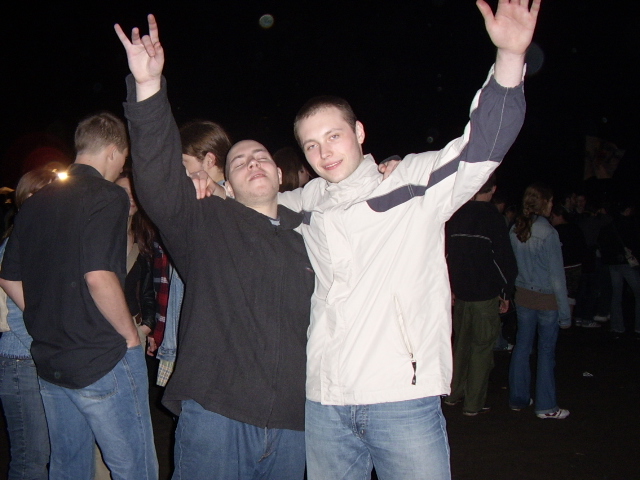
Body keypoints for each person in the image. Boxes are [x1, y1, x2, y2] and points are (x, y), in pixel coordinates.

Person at [275, 1, 541, 477]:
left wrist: (509, 57)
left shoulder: (410, 181)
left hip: (401, 398)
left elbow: (483, 147)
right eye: (311, 144)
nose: (323, 151)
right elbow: (249, 209)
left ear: (359, 132)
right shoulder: (305, 202)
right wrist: (210, 184)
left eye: (334, 136)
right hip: (325, 399)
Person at [115, 17, 314, 480]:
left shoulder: (312, 235)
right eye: (239, 161)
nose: (252, 163)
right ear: (228, 180)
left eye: (261, 157)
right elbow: (160, 181)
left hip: (294, 424)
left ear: (279, 174)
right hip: (217, 417)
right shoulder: (206, 223)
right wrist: (149, 87)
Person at [0, 112, 158, 479]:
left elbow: (8, 277)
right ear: (115, 151)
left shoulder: (36, 202)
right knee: (135, 467)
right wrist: (129, 336)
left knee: (69, 466)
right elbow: (99, 276)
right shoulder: (108, 195)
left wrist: (44, 317)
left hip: (51, 359)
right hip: (100, 355)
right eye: (123, 157)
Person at [443, 173, 517, 416]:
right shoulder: (492, 217)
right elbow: (503, 259)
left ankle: (453, 394)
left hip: (461, 294)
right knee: (481, 350)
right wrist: (505, 292)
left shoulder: (456, 214)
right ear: (493, 189)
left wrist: (450, 287)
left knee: (461, 346)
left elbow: (446, 255)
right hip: (484, 296)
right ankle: (473, 404)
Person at [0, 168, 57, 480]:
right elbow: (17, 314)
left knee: (43, 454)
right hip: (22, 361)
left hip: (37, 358)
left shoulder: (45, 242)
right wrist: (51, 350)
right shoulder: (17, 245)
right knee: (31, 459)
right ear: (27, 199)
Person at [509, 183, 570, 419]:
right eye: (550, 201)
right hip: (546, 300)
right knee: (545, 352)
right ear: (543, 203)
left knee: (522, 346)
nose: (552, 205)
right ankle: (546, 406)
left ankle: (518, 397)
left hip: (523, 296)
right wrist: (565, 314)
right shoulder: (549, 233)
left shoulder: (515, 228)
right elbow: (557, 277)